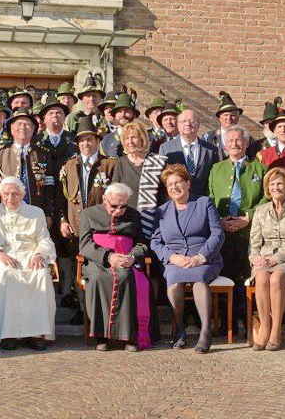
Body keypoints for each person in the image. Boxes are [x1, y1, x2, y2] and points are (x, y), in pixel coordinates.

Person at [0, 177, 59, 349]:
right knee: (9, 276)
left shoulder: (36, 212)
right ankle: (8, 335)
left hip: (30, 257)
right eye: (6, 194)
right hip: (2, 258)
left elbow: (44, 239)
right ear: (0, 195)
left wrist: (39, 254)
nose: (10, 198)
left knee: (41, 275)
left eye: (15, 194)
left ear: (22, 195)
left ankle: (37, 334)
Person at [151, 164, 225, 354]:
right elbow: (155, 242)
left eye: (178, 182)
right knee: (173, 281)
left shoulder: (204, 203)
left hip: (204, 258)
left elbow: (217, 234)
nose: (174, 187)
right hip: (176, 260)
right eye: (170, 185)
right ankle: (179, 329)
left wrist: (201, 257)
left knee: (199, 280)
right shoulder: (161, 211)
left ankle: (206, 331)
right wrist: (172, 257)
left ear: (188, 183)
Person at [78, 183, 155, 351]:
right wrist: (108, 256)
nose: (119, 211)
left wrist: (132, 257)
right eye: (114, 206)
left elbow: (142, 243)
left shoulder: (134, 215)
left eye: (123, 206)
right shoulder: (88, 214)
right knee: (99, 278)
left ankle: (129, 337)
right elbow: (85, 245)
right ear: (104, 200)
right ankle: (101, 337)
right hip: (98, 261)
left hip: (126, 260)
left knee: (127, 277)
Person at [207, 126, 267, 335]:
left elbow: (267, 198)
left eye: (239, 140)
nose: (234, 143)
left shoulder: (260, 169)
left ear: (247, 143)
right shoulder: (216, 169)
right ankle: (227, 325)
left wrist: (248, 217)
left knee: (247, 278)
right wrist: (219, 220)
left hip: (249, 234)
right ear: (225, 144)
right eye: (230, 140)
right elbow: (210, 198)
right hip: (223, 234)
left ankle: (251, 324)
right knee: (226, 276)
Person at [57, 116, 116, 324]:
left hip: (101, 229)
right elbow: (62, 197)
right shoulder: (69, 165)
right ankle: (84, 310)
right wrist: (63, 220)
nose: (86, 144)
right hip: (76, 227)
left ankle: (101, 311)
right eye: (82, 140)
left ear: (98, 141)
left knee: (100, 268)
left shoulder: (109, 165)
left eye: (90, 139)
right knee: (78, 269)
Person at [247, 167, 285, 351]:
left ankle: (276, 330)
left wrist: (274, 260)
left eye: (280, 183)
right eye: (272, 184)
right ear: (267, 187)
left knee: (276, 278)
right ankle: (265, 328)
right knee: (262, 277)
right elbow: (254, 241)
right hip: (263, 260)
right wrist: (255, 258)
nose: (276, 187)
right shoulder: (260, 210)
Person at [0, 108, 56, 213]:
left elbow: (49, 187)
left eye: (27, 124)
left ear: (33, 129)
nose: (22, 127)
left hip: (35, 211)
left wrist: (48, 214)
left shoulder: (43, 154)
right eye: (19, 124)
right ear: (11, 129)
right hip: (6, 212)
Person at [110, 122, 169, 238]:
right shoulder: (121, 162)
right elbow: (114, 191)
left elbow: (166, 194)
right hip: (128, 221)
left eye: (134, 137)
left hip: (154, 221)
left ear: (142, 139)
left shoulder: (156, 162)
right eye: (126, 138)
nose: (130, 142)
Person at [159, 109, 219, 197]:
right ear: (178, 125)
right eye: (183, 121)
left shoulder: (211, 150)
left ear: (198, 125)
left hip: (202, 200)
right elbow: (162, 179)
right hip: (176, 199)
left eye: (192, 121)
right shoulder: (166, 148)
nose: (187, 124)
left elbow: (215, 178)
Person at [201, 91, 259, 159]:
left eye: (232, 115)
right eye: (226, 115)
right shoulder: (208, 138)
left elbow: (251, 159)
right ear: (220, 118)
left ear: (238, 118)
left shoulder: (247, 139)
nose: (229, 118)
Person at [99, 91, 139, 157]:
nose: (123, 115)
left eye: (127, 111)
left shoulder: (142, 138)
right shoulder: (106, 140)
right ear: (115, 115)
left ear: (134, 115)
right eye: (119, 111)